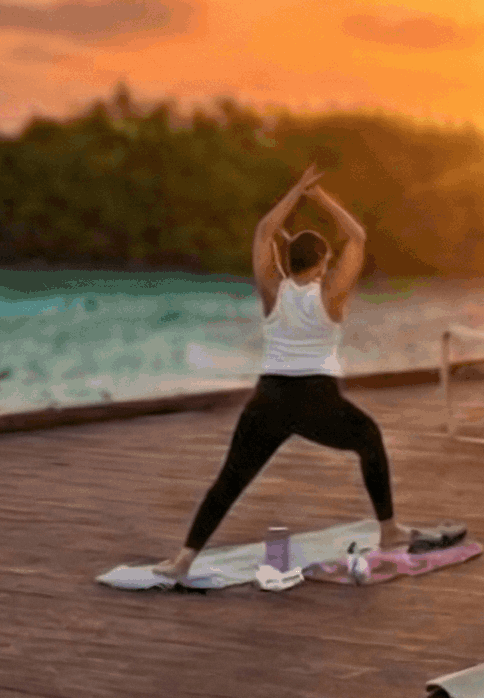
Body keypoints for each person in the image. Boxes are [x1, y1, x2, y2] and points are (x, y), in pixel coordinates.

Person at [150, 164, 408, 583]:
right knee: (370, 440)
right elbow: (358, 237)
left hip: (268, 399)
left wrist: (295, 192)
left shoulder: (273, 292)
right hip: (318, 401)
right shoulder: (330, 297)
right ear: (323, 262)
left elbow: (263, 233)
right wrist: (321, 198)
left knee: (230, 480)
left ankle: (182, 560)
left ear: (288, 261)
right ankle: (390, 530)